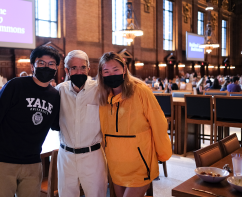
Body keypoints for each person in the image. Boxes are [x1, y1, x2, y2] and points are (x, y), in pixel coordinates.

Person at [0, 45, 61, 197]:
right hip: (3, 160)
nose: (46, 67)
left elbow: (57, 124)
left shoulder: (55, 96)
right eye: (41, 62)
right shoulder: (16, 85)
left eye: (51, 64)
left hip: (33, 162)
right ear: (32, 66)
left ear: (56, 68)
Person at [97, 52, 172, 197]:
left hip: (139, 162)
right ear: (101, 74)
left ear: (124, 69)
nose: (111, 74)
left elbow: (158, 123)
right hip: (115, 162)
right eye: (106, 71)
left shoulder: (141, 90)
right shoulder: (101, 95)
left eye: (116, 70)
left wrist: (162, 153)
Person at [55, 50, 107, 197]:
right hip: (66, 156)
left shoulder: (99, 90)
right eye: (74, 68)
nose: (79, 71)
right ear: (67, 70)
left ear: (89, 69)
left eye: (83, 67)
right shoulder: (59, 91)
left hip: (93, 156)